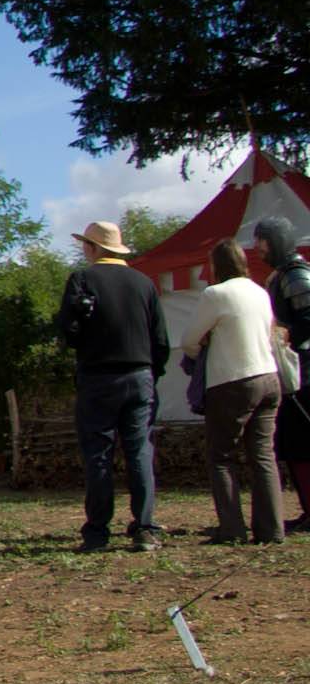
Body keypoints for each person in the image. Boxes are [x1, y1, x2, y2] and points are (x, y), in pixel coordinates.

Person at [56, 219, 170, 551]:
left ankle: (97, 532)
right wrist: (152, 373)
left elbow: (68, 333)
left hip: (98, 376)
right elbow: (160, 338)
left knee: (99, 455)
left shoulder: (82, 280)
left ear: (93, 248)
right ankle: (145, 528)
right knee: (139, 451)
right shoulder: (144, 283)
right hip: (139, 374)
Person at [183, 239, 284, 545]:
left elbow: (189, 339)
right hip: (268, 376)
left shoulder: (215, 294)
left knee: (221, 456)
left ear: (216, 265)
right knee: (263, 455)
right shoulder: (260, 292)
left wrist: (201, 348)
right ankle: (271, 530)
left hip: (232, 381)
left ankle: (231, 529)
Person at [251, 216, 310, 532]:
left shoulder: (297, 275)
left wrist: (287, 334)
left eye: (262, 240)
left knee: (303, 444)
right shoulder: (280, 276)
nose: (258, 247)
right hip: (292, 372)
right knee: (293, 445)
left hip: (304, 371)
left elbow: (308, 320)